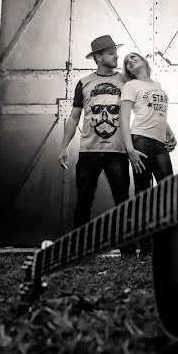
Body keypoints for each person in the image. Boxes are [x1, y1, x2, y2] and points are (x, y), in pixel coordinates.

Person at [58, 35, 135, 256]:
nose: (116, 56)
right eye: (111, 53)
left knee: (123, 201)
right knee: (83, 202)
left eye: (115, 52)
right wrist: (64, 147)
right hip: (89, 151)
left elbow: (142, 104)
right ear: (98, 57)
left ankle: (127, 249)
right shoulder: (84, 83)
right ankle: (79, 249)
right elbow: (74, 117)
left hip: (117, 151)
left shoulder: (125, 81)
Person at [119, 52, 176, 256]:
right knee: (143, 194)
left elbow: (159, 112)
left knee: (168, 192)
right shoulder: (130, 86)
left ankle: (166, 244)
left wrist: (170, 132)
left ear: (144, 61)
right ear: (128, 70)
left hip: (160, 143)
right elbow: (124, 119)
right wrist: (130, 149)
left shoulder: (157, 85)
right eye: (127, 62)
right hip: (140, 140)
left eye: (134, 57)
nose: (130, 61)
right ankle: (146, 248)